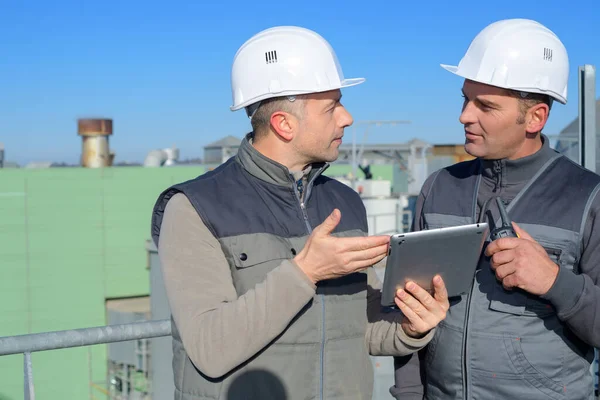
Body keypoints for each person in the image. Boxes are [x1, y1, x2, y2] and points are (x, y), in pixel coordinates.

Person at [151, 26, 449, 400]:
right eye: (332, 107)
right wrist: (306, 272)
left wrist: (411, 328)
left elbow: (361, 328)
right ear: (284, 124)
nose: (347, 118)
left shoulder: (345, 202)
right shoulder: (195, 207)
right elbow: (211, 348)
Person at [391, 18, 600, 400]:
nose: (464, 116)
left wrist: (555, 280)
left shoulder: (588, 197)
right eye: (465, 99)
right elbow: (407, 308)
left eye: (485, 105)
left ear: (535, 117)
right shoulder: (439, 188)